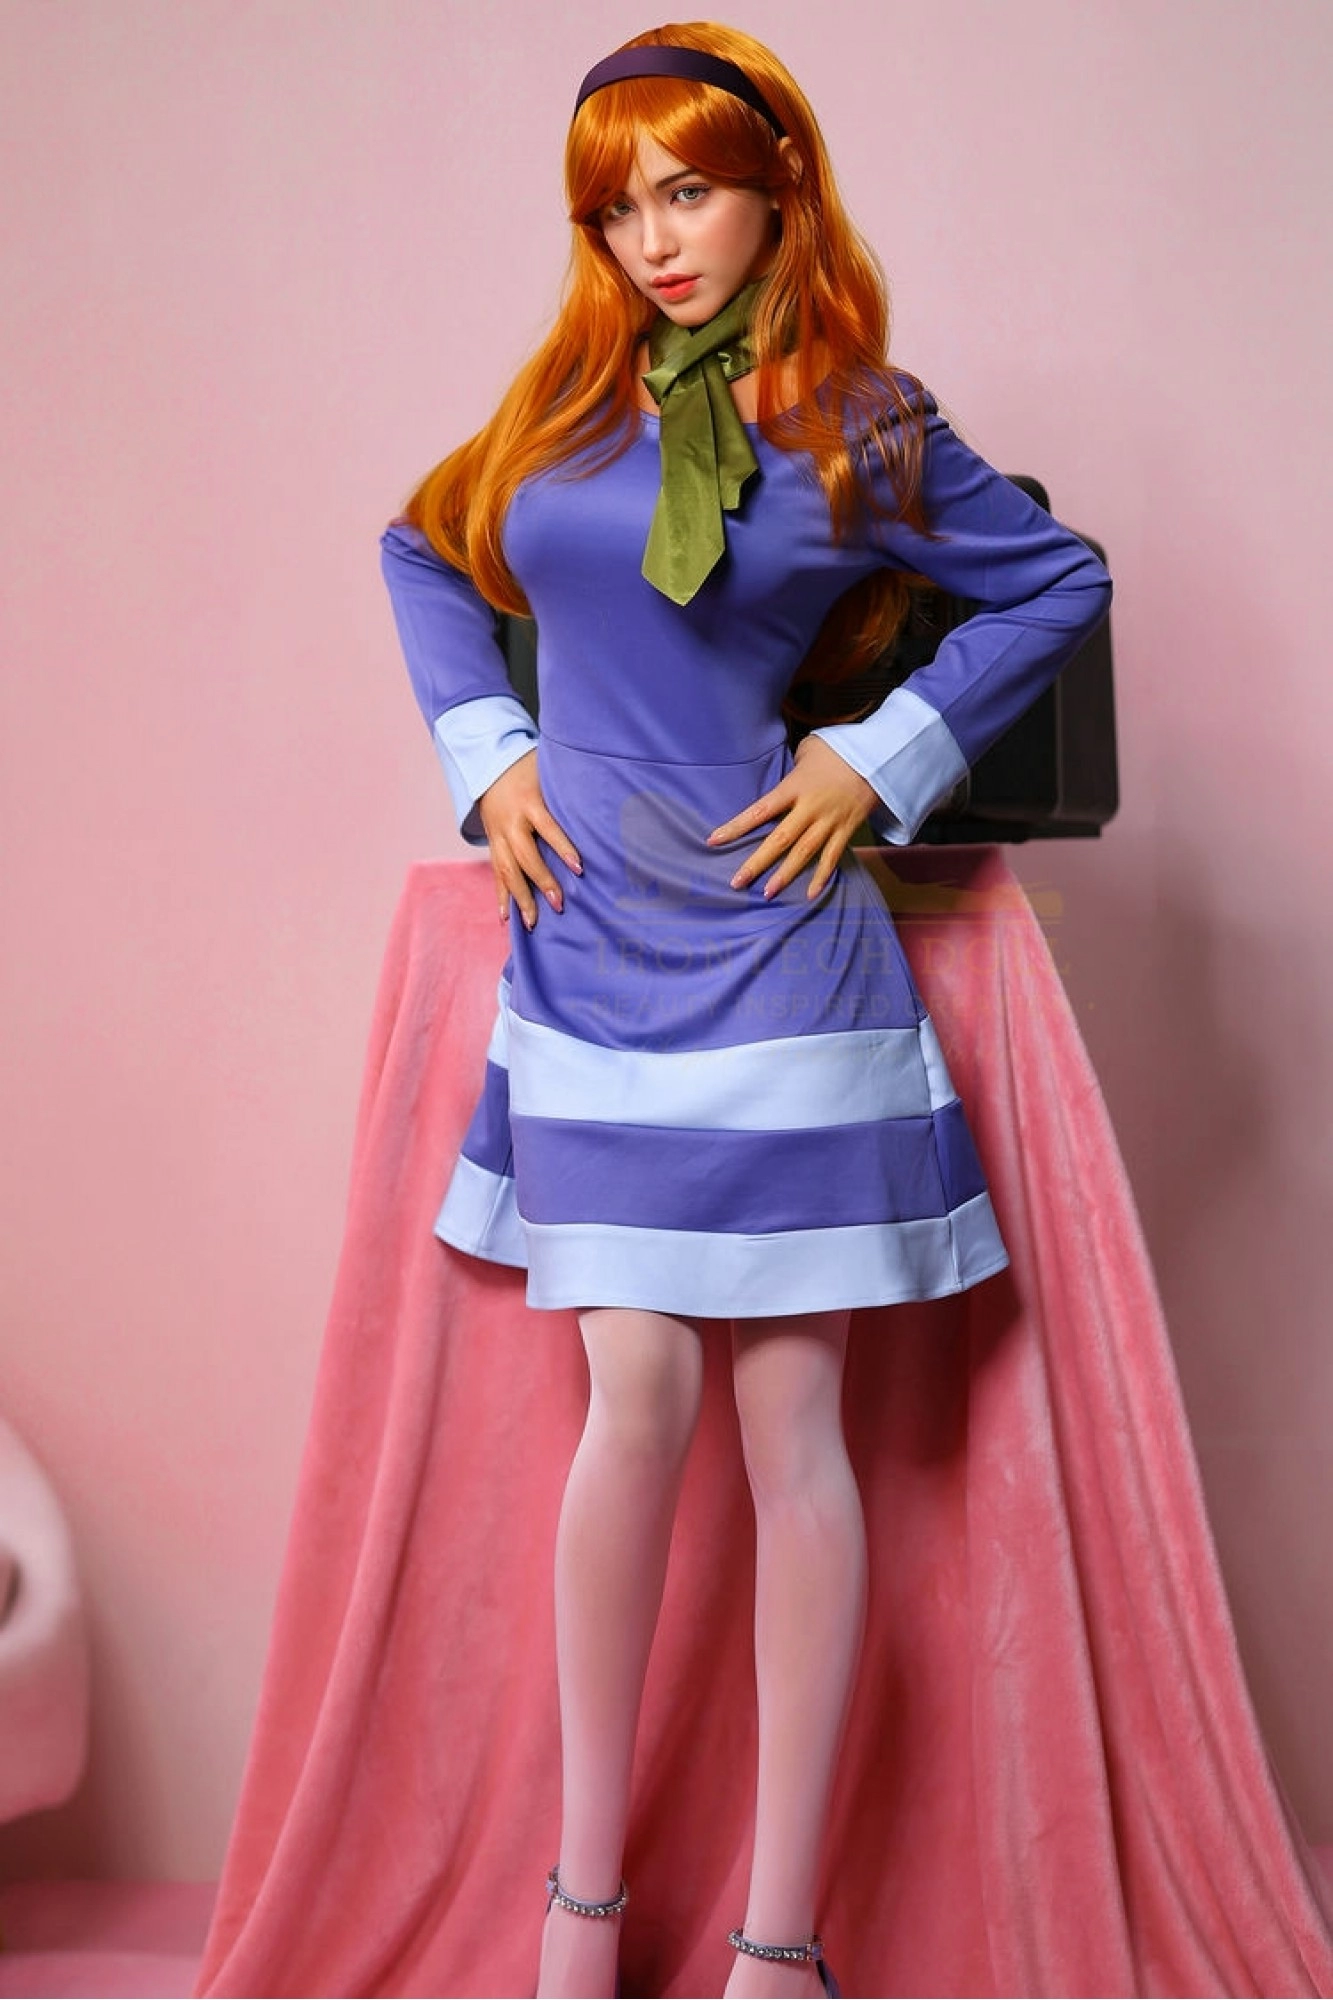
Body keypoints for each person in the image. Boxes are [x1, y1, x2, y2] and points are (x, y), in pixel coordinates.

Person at [381, 23, 1111, 1998]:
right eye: (618, 207)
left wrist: (884, 751)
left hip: (785, 958)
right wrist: (489, 754)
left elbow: (1058, 579)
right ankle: (582, 1915)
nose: (654, 239)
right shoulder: (565, 401)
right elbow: (422, 543)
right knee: (633, 1399)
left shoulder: (863, 425)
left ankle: (779, 1943)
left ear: (779, 190)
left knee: (797, 1427)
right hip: (592, 950)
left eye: (687, 191)